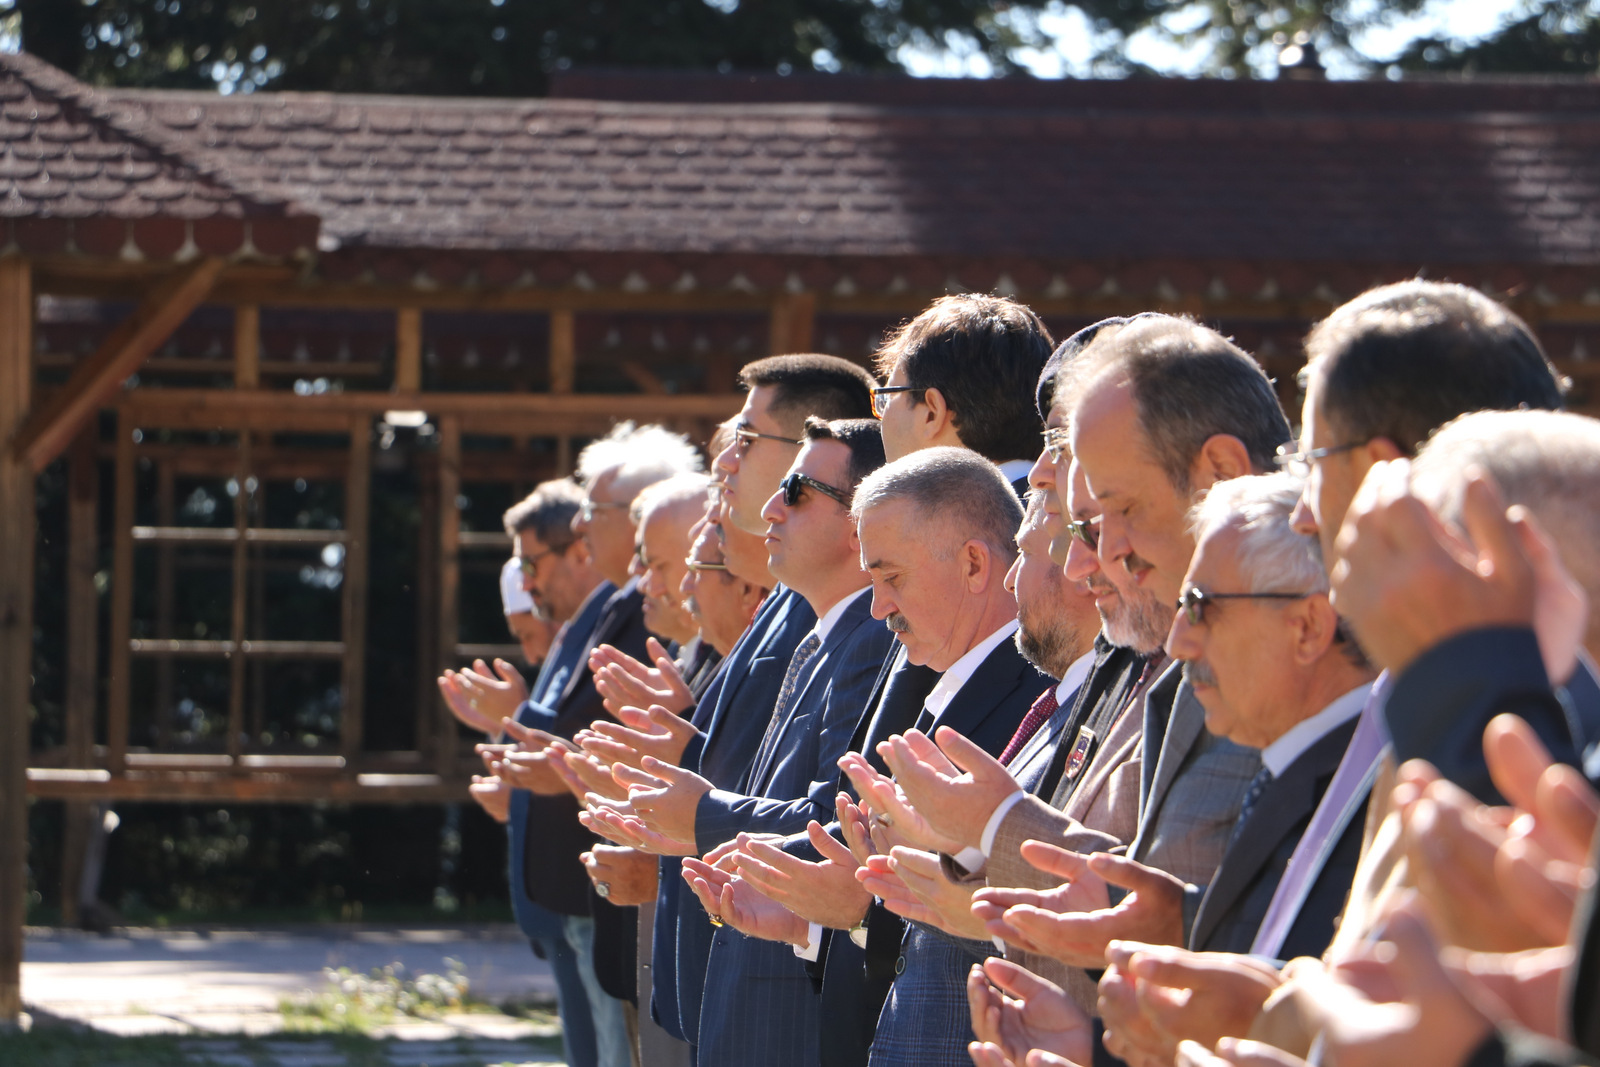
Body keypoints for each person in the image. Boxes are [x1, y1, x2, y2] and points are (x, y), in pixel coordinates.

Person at [589, 356, 877, 1064]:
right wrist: (678, 746)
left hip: (784, 998)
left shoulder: (867, 628)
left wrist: (697, 809)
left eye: (748, 441)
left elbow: (834, 811)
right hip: (733, 976)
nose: (725, 456)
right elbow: (754, 764)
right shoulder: (807, 608)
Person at [497, 423, 702, 1067]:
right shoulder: (623, 603)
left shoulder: (644, 608)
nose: (582, 524)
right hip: (604, 886)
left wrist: (523, 727)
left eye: (596, 509)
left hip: (643, 890)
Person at [448, 480, 603, 1067]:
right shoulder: (582, 629)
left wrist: (510, 718)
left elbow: (579, 747)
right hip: (566, 900)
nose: (533, 587)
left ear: (578, 549)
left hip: (588, 895)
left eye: (534, 566)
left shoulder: (604, 627)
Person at [871, 293, 1053, 488]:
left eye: (888, 397)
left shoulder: (974, 517)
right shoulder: (1067, 507)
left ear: (932, 412)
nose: (880, 416)